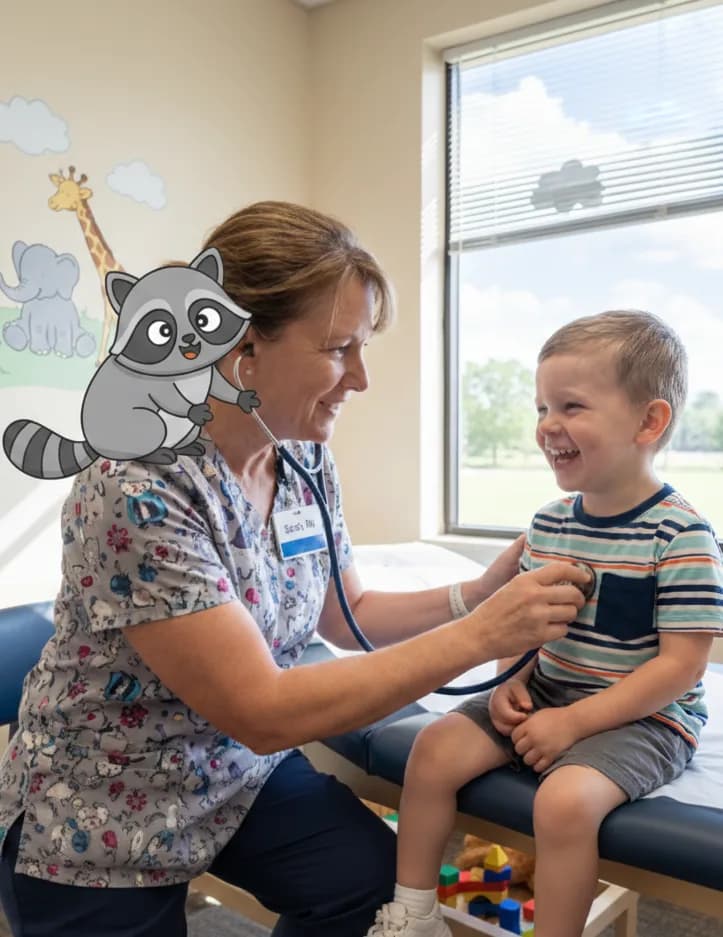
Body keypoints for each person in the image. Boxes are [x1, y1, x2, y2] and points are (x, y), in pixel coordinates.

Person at [0, 201, 591, 937]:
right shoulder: (136, 485)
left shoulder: (303, 458)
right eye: (340, 347)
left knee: (370, 877)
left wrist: (475, 593)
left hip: (230, 775)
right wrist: (481, 636)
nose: (361, 379)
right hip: (101, 804)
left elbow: (344, 612)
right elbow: (263, 708)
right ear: (241, 349)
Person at [366, 310, 723, 937]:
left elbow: (682, 666)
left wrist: (575, 724)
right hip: (551, 692)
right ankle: (412, 915)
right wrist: (508, 683)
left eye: (571, 406)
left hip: (648, 715)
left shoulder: (683, 535)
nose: (548, 427)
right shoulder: (550, 523)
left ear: (650, 421)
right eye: (540, 409)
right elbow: (522, 626)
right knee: (432, 748)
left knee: (563, 803)